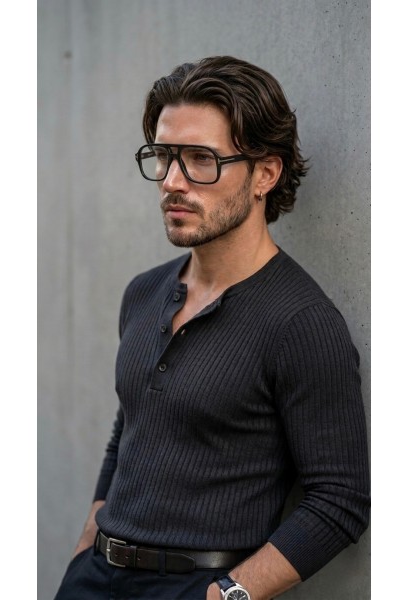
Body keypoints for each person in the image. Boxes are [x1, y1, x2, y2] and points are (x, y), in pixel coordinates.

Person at [54, 56, 370, 600]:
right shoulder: (144, 292)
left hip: (197, 585)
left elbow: (340, 499)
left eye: (201, 159)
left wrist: (229, 593)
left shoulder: (301, 323)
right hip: (94, 577)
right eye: (163, 156)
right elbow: (131, 425)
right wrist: (90, 537)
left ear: (265, 174)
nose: (172, 182)